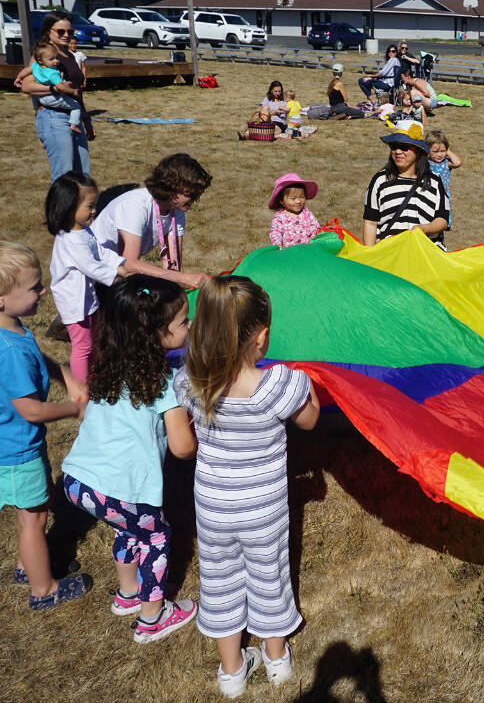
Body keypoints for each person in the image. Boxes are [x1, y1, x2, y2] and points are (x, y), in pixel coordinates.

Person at [174, 276, 321, 697]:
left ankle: (232, 671)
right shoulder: (278, 386)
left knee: (219, 581)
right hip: (263, 510)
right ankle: (275, 660)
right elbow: (309, 420)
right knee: (268, 576)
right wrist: (306, 384)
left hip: (213, 507)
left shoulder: (190, 383)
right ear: (261, 337)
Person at [0, 239, 91, 610]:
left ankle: (27, 565)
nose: (43, 291)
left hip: (3, 442)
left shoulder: (0, 326)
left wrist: (64, 373)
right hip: (13, 448)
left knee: (33, 509)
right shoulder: (8, 349)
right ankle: (43, 589)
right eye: (34, 287)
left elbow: (35, 353)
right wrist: (72, 408)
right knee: (35, 517)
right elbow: (30, 410)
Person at [60, 276, 199, 644]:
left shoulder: (109, 365)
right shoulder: (160, 381)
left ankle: (127, 594)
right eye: (184, 322)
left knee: (127, 528)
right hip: (123, 488)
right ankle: (153, 615)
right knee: (156, 535)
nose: (189, 327)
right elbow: (183, 448)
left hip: (78, 481)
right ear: (158, 331)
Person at [46, 172, 167, 381]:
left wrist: (120, 264)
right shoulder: (70, 240)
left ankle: (95, 373)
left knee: (94, 338)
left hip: (87, 299)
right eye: (89, 207)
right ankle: (82, 389)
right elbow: (91, 266)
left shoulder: (84, 231)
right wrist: (116, 276)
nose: (94, 211)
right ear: (68, 208)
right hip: (73, 302)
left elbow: (100, 252)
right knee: (82, 346)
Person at [91, 153, 211, 290]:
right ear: (172, 187)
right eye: (193, 194)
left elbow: (174, 268)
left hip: (116, 273)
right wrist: (183, 278)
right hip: (91, 271)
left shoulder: (176, 212)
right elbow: (129, 264)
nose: (197, 200)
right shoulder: (135, 206)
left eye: (199, 194)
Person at [17, 10, 91, 180]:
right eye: (61, 31)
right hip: (54, 118)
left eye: (70, 32)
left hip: (73, 117)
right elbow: (26, 86)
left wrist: (86, 120)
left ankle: (82, 207)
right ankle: (59, 207)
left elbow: (76, 91)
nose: (66, 35)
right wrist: (55, 89)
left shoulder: (69, 55)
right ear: (48, 31)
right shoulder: (44, 55)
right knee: (64, 176)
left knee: (83, 175)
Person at [363, 126, 449, 248]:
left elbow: (442, 220)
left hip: (426, 254)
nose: (398, 152)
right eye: (393, 147)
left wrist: (424, 228)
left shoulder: (434, 180)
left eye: (404, 147)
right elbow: (370, 222)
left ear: (418, 151)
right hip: (390, 255)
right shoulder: (380, 180)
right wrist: (369, 257)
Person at [30, 42, 83, 135]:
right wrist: (73, 91)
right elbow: (60, 87)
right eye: (51, 59)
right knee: (76, 107)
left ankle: (36, 109)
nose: (56, 61)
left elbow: (26, 71)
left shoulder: (36, 65)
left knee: (33, 94)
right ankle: (74, 125)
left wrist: (18, 78)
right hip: (53, 99)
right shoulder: (52, 73)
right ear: (40, 60)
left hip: (39, 98)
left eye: (57, 58)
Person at [268, 173, 321, 249]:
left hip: (308, 251)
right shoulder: (280, 217)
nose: (298, 201)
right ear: (281, 201)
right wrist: (277, 244)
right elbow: (276, 232)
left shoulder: (307, 213)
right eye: (293, 198)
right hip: (289, 255)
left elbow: (315, 228)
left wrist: (316, 239)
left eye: (302, 197)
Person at [426, 131, 461, 229]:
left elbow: (457, 162)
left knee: (441, 218)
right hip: (429, 193)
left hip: (443, 195)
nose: (440, 154)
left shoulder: (446, 163)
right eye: (435, 152)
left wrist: (448, 152)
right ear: (428, 151)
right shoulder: (425, 162)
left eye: (442, 151)